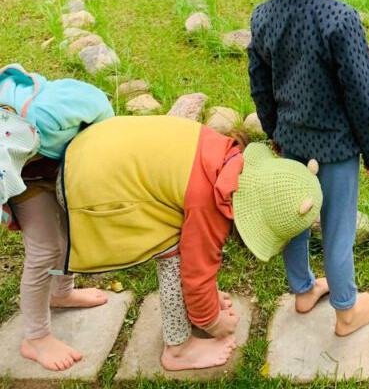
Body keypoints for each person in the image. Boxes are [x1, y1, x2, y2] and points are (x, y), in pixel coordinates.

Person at [58, 115, 323, 371]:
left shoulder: (224, 156)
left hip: (88, 150)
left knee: (185, 243)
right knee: (173, 256)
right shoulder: (209, 201)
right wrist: (212, 321)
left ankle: (194, 314)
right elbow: (196, 272)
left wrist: (207, 297)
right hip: (88, 185)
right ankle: (178, 349)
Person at [248, 0, 369, 336]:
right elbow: (362, 92)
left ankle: (303, 289)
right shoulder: (340, 18)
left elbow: (260, 82)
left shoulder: (264, 15)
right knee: (338, 228)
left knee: (294, 217)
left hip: (290, 140)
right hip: (337, 146)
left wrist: (273, 131)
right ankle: (347, 309)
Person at [0, 64, 114, 371]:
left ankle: (61, 293)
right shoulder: (9, 144)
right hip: (22, 176)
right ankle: (35, 338)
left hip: (50, 165)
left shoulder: (78, 110)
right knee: (45, 249)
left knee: (69, 232)